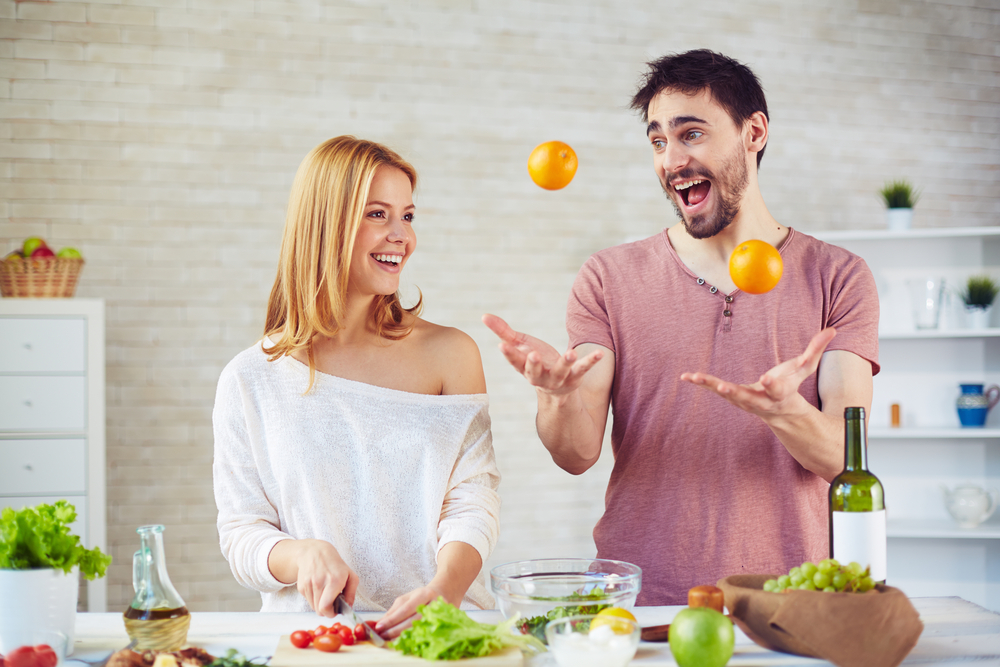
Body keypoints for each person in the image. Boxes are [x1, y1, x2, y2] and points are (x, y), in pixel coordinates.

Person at [484, 49, 879, 605]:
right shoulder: (608, 277)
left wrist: (784, 412)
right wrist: (556, 397)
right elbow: (575, 455)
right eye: (658, 141)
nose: (672, 160)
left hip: (789, 602)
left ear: (754, 133)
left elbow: (846, 460)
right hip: (641, 602)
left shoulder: (838, 277)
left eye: (691, 134)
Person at [213, 136, 500, 637]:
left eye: (407, 217)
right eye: (377, 214)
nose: (401, 237)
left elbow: (472, 500)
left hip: (440, 633)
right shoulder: (251, 377)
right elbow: (242, 532)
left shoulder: (451, 354)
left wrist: (446, 589)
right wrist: (300, 555)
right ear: (326, 224)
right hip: (317, 640)